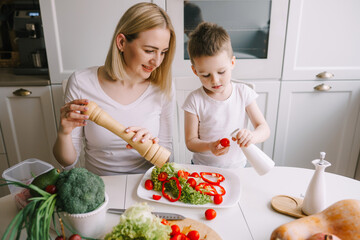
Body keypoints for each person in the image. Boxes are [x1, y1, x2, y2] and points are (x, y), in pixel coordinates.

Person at [53, 3, 176, 175]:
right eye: (149, 51)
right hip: (100, 187)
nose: (157, 62)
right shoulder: (82, 82)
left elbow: (167, 160)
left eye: (163, 52)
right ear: (121, 42)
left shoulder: (163, 87)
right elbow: (67, 161)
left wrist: (151, 147)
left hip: (145, 187)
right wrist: (64, 133)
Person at [182, 22, 270, 168]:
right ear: (195, 71)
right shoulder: (194, 100)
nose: (214, 80)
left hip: (238, 167)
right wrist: (210, 146)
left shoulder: (243, 93)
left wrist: (251, 136)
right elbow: (191, 142)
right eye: (205, 75)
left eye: (221, 72)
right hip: (202, 168)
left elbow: (264, 129)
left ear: (232, 62)